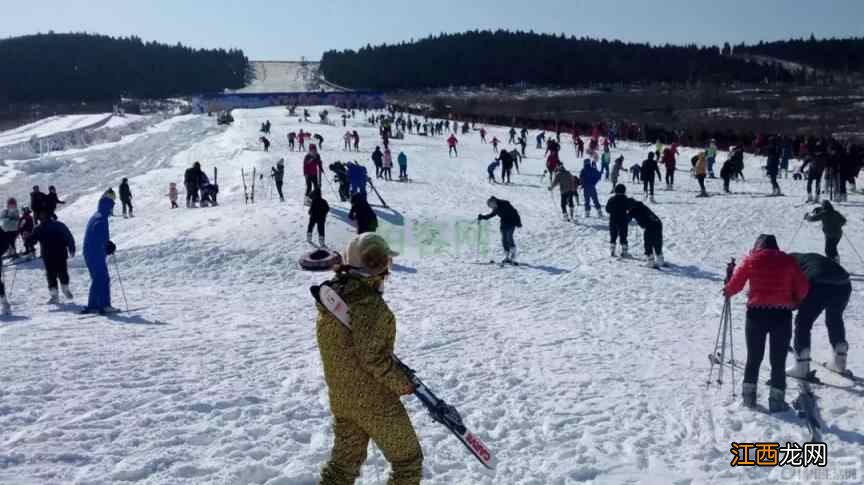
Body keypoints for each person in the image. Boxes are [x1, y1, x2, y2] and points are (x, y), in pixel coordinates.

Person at [315, 233, 422, 485]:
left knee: (342, 467)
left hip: (343, 399)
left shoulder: (335, 298)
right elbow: (374, 359)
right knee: (407, 462)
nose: (387, 270)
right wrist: (403, 383)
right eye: (385, 263)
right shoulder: (368, 304)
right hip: (375, 401)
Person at [724, 234, 809, 412]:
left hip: (756, 314)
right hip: (782, 315)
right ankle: (777, 401)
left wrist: (728, 289)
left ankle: (749, 398)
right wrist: (795, 301)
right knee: (778, 360)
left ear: (758, 245)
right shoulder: (789, 261)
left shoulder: (751, 259)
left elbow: (736, 284)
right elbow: (803, 287)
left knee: (754, 357)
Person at [786, 253, 852, 379]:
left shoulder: (787, 264)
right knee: (835, 318)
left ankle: (801, 365)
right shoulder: (803, 258)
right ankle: (839, 359)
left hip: (818, 284)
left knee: (803, 322)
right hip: (844, 282)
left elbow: (793, 292)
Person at [26, 216, 76, 304]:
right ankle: (62, 291)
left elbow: (33, 240)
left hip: (50, 255)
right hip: (57, 254)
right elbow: (68, 237)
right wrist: (71, 247)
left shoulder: (40, 228)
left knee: (53, 275)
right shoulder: (57, 225)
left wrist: (28, 240)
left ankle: (57, 294)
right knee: (60, 273)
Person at [81, 196, 118, 314]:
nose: (112, 210)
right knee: (103, 278)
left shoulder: (97, 215)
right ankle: (104, 305)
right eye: (111, 207)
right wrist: (106, 244)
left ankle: (94, 305)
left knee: (98, 278)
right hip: (95, 252)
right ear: (107, 207)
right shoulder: (101, 218)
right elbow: (98, 230)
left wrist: (106, 244)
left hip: (92, 251)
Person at [478, 196, 522, 265]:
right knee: (504, 239)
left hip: (512, 223)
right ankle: (507, 256)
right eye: (490, 206)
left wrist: (518, 222)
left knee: (509, 237)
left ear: (494, 202)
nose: (491, 207)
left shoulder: (505, 204)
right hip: (504, 224)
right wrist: (483, 217)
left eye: (491, 205)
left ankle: (513, 256)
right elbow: (491, 215)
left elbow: (514, 212)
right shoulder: (496, 208)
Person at [628, 199, 664, 268]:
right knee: (657, 242)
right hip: (658, 223)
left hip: (649, 226)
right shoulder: (642, 205)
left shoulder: (633, 210)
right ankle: (660, 259)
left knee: (648, 243)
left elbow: (627, 219)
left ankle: (650, 261)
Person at [606, 184, 631, 257]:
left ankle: (612, 250)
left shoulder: (611, 199)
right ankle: (624, 251)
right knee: (623, 236)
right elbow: (630, 209)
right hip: (623, 220)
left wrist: (612, 211)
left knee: (613, 235)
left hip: (613, 220)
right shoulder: (626, 200)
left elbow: (607, 209)